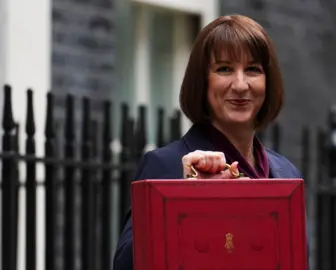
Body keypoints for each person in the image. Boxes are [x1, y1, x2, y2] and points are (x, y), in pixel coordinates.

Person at [112, 14, 306, 270]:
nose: (240, 84)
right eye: (224, 69)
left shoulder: (286, 173)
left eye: (253, 69)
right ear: (202, 82)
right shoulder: (165, 165)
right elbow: (126, 265)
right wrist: (186, 197)